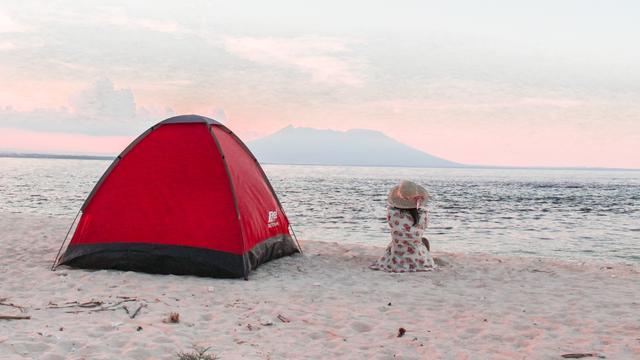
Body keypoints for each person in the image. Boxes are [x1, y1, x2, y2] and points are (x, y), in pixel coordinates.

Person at [370, 180, 435, 272]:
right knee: (424, 240)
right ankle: (424, 260)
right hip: (417, 258)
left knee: (396, 241)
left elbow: (392, 225)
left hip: (396, 258)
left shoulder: (392, 213)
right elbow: (424, 227)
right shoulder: (422, 214)